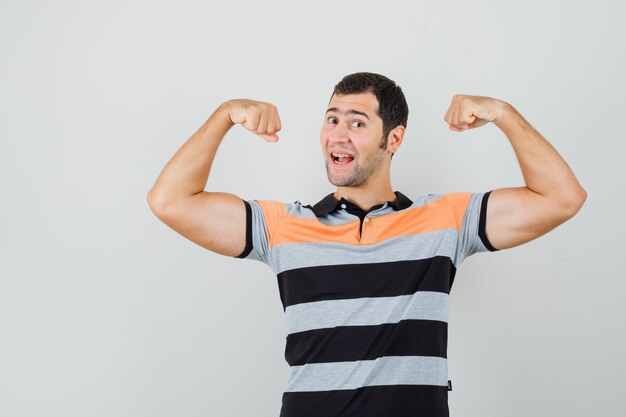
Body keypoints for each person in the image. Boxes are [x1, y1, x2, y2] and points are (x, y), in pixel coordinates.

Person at [147, 72, 586, 417]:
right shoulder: (281, 225)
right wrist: (225, 114)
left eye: (357, 123)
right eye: (332, 119)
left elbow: (562, 197)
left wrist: (502, 113)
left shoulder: (444, 220)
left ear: (393, 139)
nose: (339, 134)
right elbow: (169, 201)